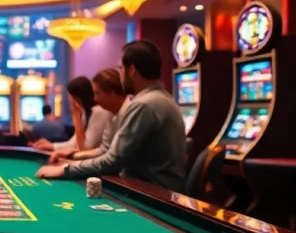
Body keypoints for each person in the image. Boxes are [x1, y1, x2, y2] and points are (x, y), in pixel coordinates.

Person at [37, 41, 186, 191]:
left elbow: (113, 160)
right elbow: (107, 151)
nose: (120, 74)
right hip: (156, 189)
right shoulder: (162, 98)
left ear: (132, 70)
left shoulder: (144, 104)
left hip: (154, 195)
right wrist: (73, 159)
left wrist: (65, 169)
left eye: (121, 68)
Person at [47, 70, 129, 163]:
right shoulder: (95, 112)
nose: (95, 98)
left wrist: (76, 117)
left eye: (97, 93)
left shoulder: (101, 111)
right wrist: (58, 149)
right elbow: (104, 149)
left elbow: (85, 148)